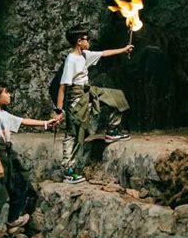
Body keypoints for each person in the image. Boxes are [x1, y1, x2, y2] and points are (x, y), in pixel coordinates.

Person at [0, 82, 55, 238]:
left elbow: (22, 121)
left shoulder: (2, 113)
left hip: (7, 153)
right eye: (6, 92)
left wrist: (46, 123)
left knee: (20, 181)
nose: (9, 95)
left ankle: (13, 220)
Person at [53, 24, 133, 184]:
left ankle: (112, 130)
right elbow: (63, 87)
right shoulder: (72, 60)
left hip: (88, 91)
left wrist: (124, 49)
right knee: (74, 134)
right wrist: (59, 110)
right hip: (76, 99)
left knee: (115, 97)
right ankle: (68, 170)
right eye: (86, 39)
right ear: (78, 41)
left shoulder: (84, 55)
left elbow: (104, 53)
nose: (89, 41)